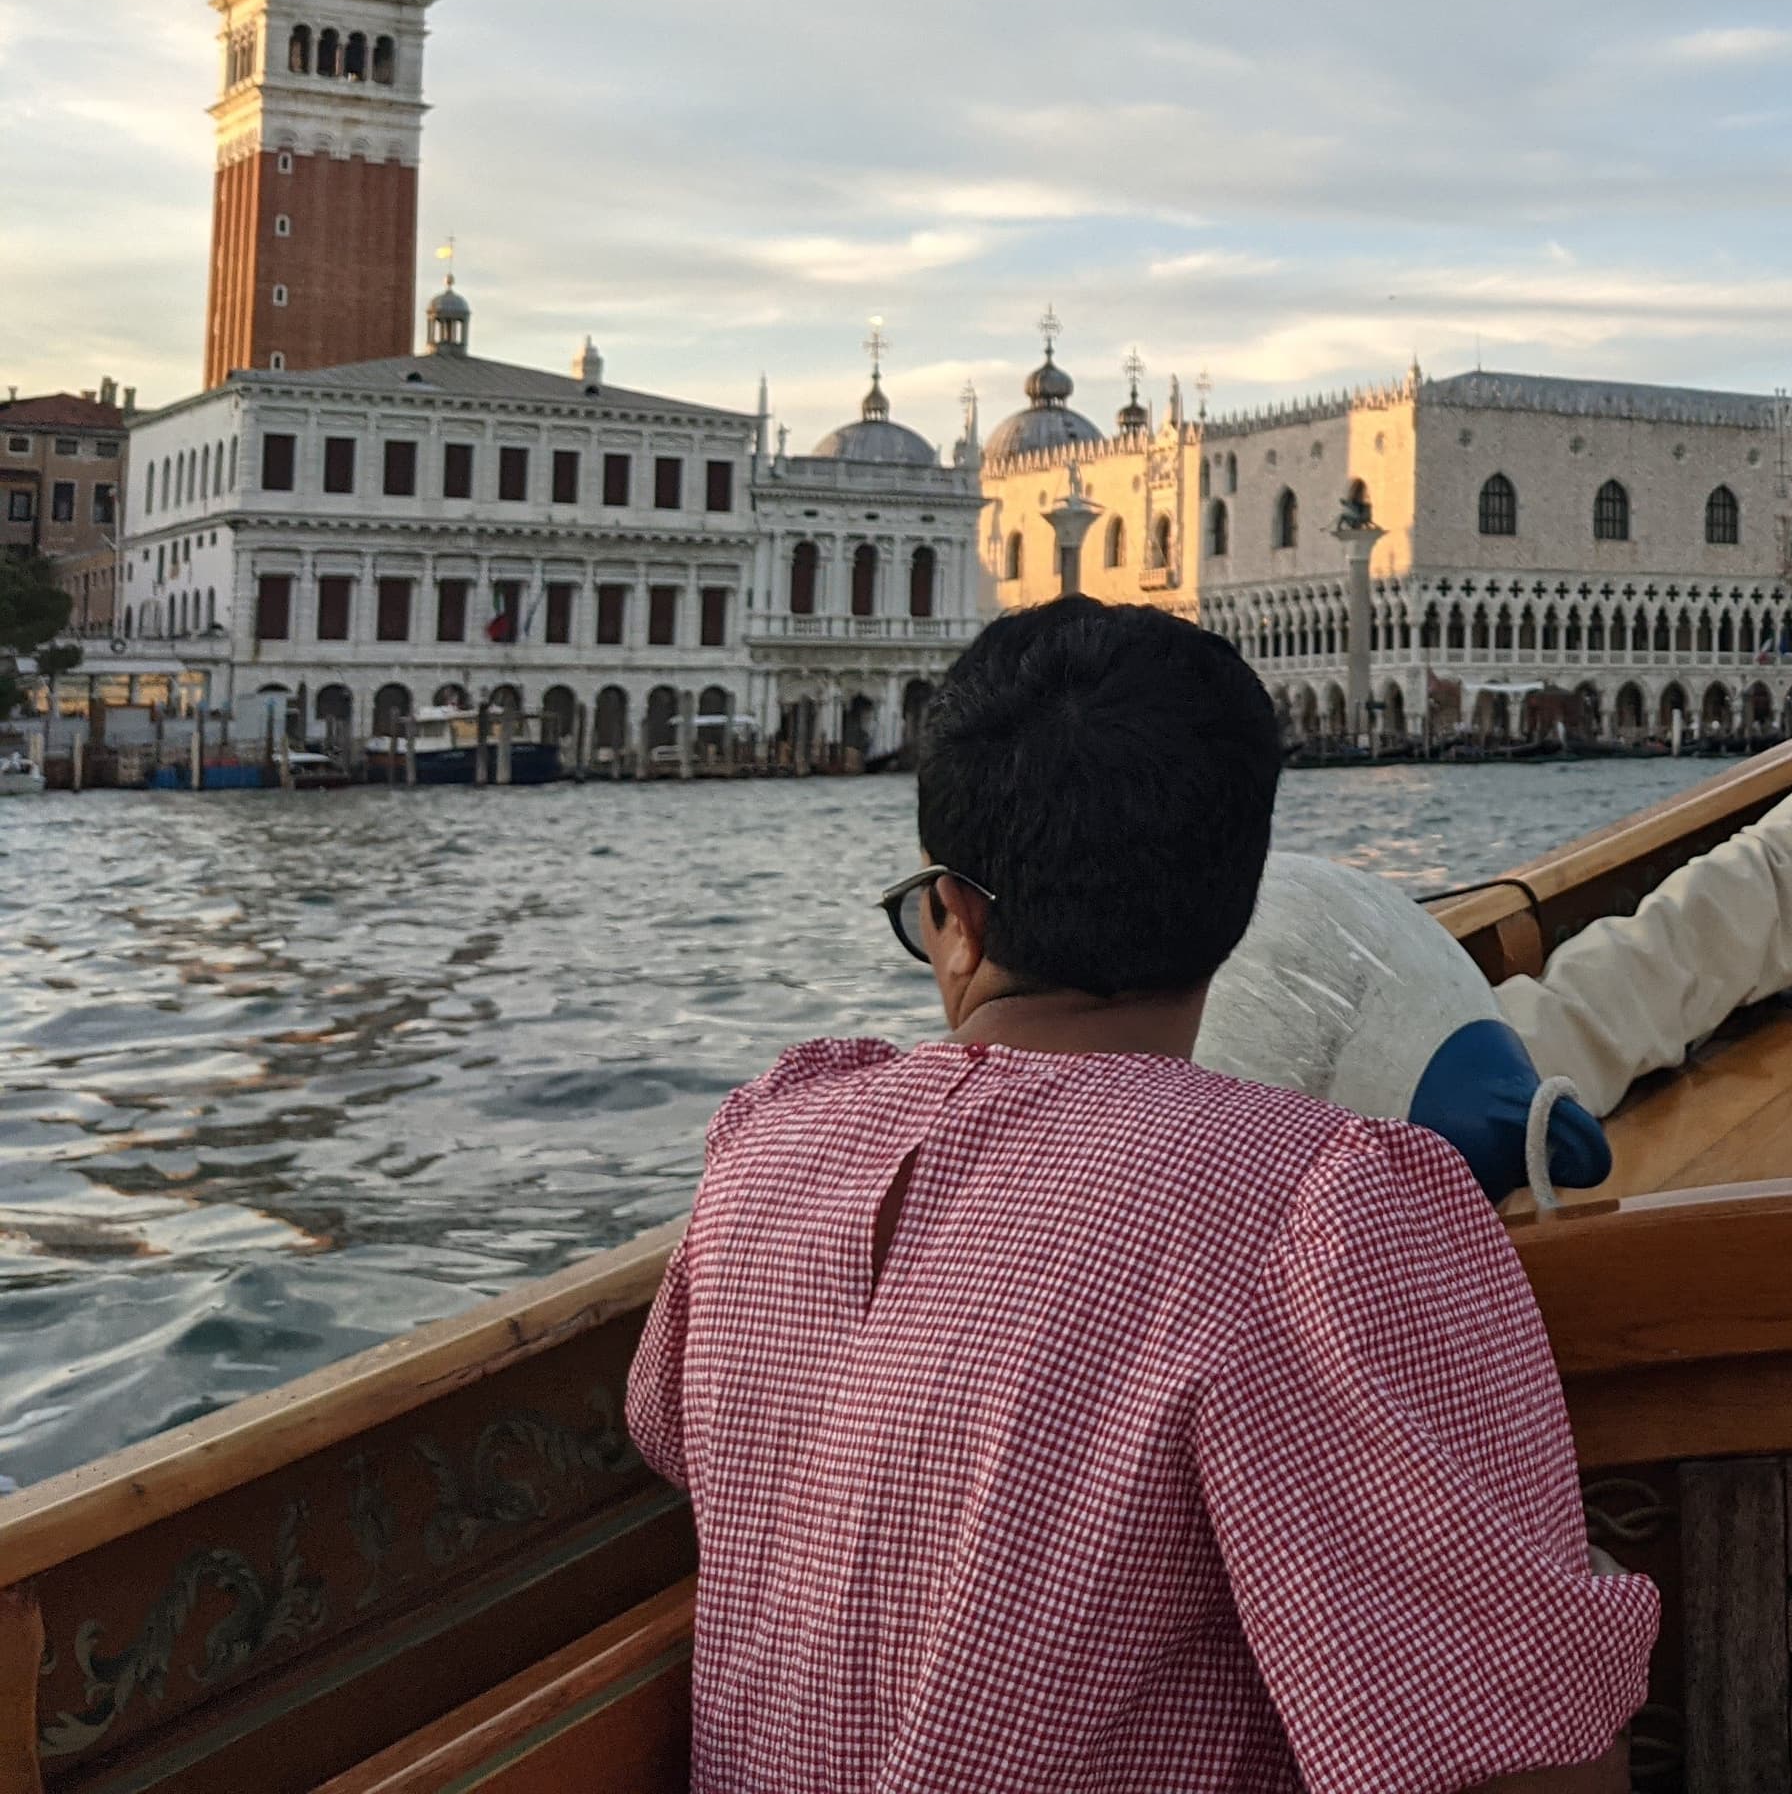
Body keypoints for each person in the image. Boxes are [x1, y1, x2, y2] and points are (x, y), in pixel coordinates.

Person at [629, 597, 1654, 1793]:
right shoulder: (1322, 1210)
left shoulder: (773, 1143)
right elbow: (1520, 1765)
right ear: (1238, 909)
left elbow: (666, 1429)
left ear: (954, 921)